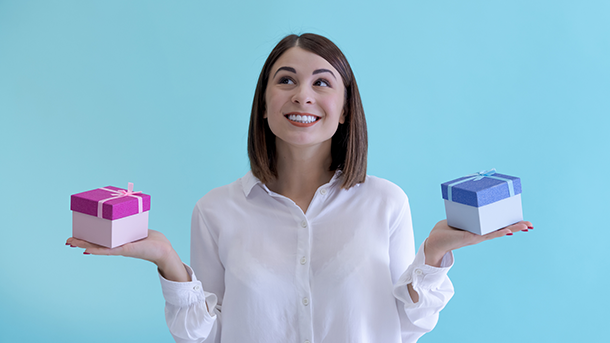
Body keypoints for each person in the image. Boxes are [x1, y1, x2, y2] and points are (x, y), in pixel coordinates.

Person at [66, 33, 533, 343]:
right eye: (285, 80)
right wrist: (169, 264)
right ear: (264, 107)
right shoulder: (215, 211)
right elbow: (206, 336)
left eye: (322, 82)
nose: (302, 95)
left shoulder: (386, 202)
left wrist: (432, 256)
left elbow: (410, 325)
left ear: (346, 109)